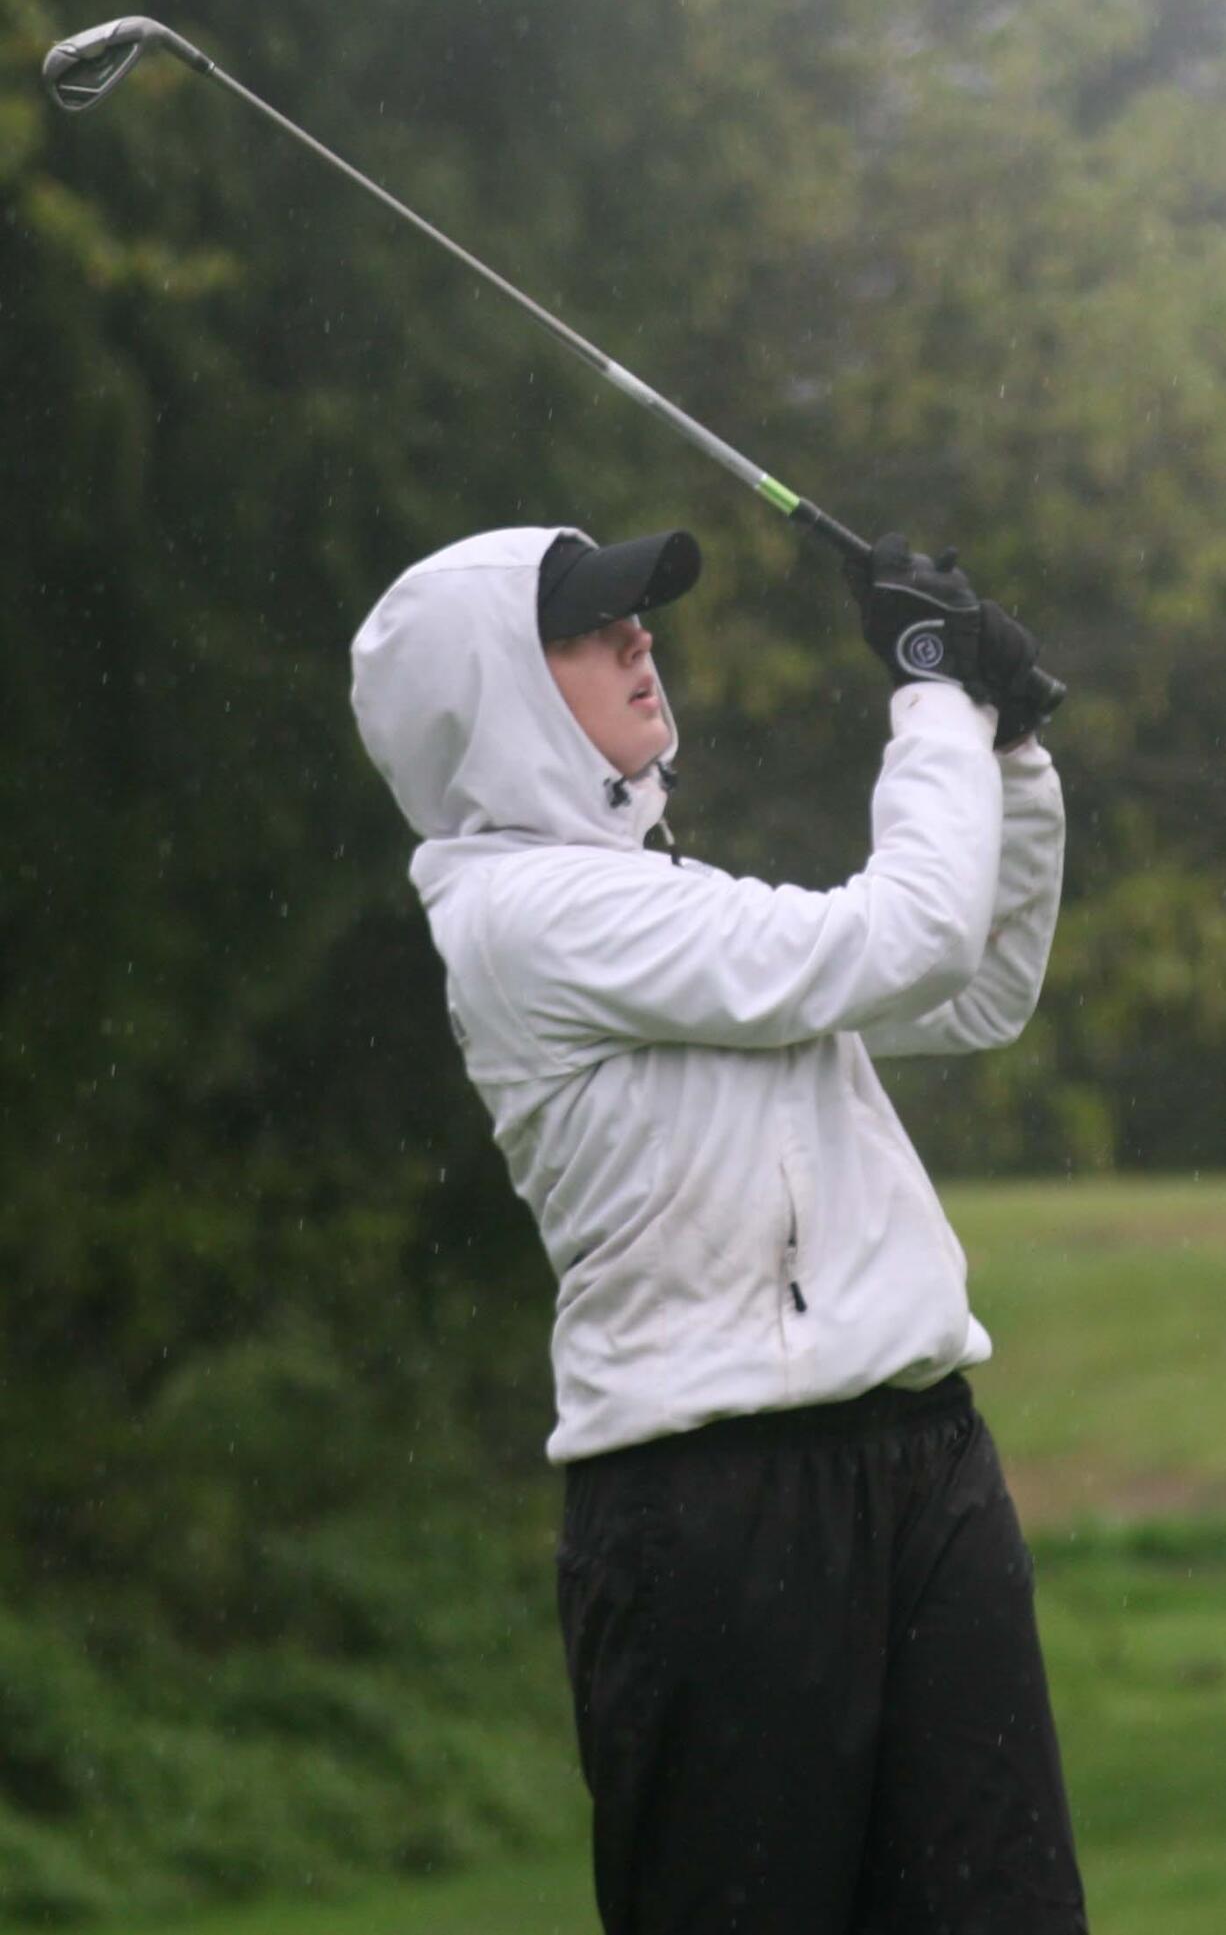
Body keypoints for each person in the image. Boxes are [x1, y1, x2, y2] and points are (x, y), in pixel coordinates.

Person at [350, 521, 1087, 1935]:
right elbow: (901, 935)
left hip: (924, 1463)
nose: (638, 639)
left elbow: (972, 983)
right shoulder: (521, 916)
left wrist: (1004, 759)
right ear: (490, 691)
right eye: (587, 627)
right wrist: (930, 686)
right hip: (711, 1515)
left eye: (637, 614)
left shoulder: (659, 896)